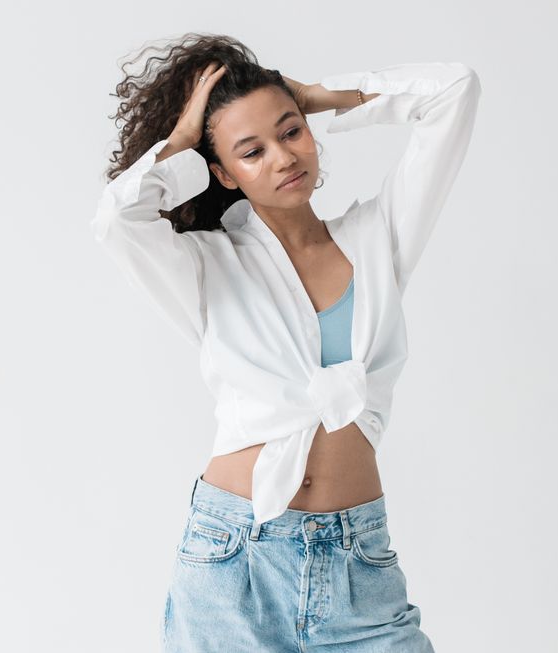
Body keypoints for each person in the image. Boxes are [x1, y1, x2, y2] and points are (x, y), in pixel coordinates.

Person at [90, 34, 480, 652]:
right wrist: (185, 141)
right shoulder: (206, 266)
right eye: (251, 150)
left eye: (290, 131)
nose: (281, 157)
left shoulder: (378, 237)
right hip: (232, 559)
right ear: (221, 173)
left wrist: (315, 95)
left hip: (359, 565)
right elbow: (119, 219)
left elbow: (454, 91)